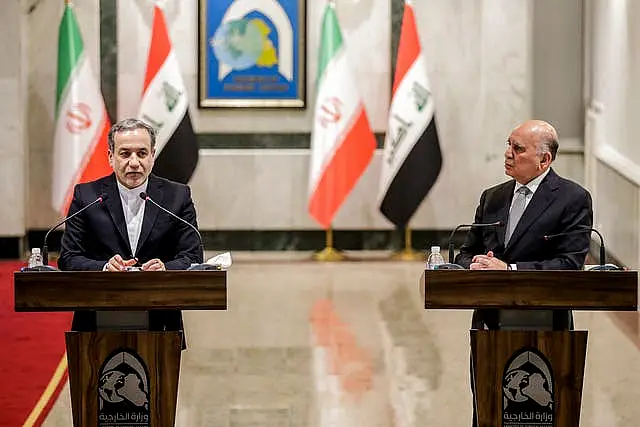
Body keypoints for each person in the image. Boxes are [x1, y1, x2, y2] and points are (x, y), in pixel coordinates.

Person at [454, 120, 593, 426]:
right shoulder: (492, 197)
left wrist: (510, 269)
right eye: (508, 145)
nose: (508, 154)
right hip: (490, 322)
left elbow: (570, 263)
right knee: (489, 408)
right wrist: (475, 264)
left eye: (518, 148)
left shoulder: (572, 199)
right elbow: (465, 252)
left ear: (545, 159)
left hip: (546, 324)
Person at [58, 118, 202, 335]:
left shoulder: (177, 196)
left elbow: (193, 255)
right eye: (125, 154)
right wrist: (104, 268)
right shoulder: (86, 196)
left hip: (161, 319)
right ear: (110, 157)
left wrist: (165, 268)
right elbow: (69, 257)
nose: (134, 162)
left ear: (153, 155)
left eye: (142, 153)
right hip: (97, 318)